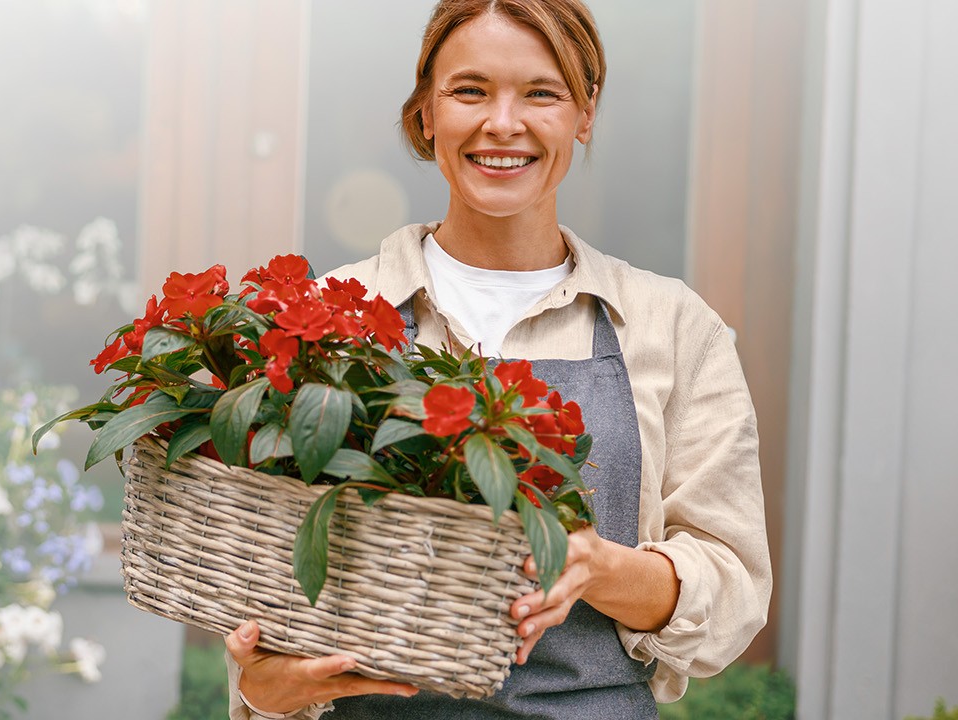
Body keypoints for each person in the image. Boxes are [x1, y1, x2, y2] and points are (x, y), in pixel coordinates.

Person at [222, 1, 771, 718]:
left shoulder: (670, 328)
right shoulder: (331, 318)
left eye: (541, 92)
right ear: (426, 112)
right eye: (470, 90)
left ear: (585, 112)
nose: (503, 123)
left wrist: (600, 569)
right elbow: (263, 591)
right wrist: (262, 692)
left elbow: (732, 590)